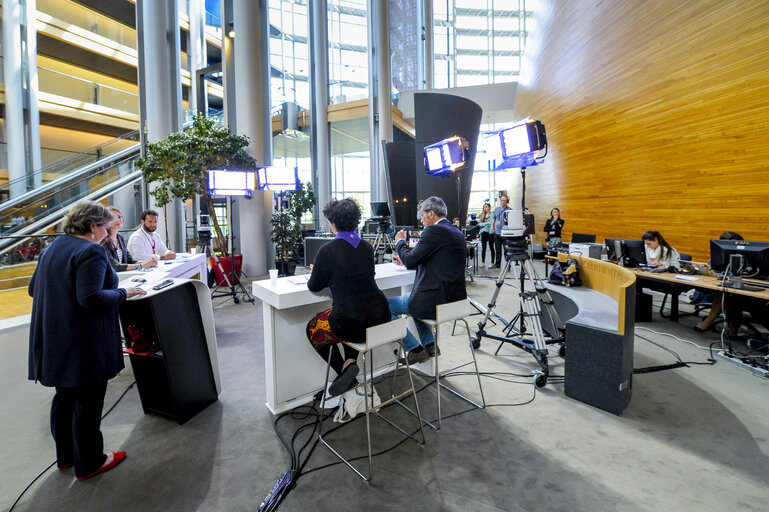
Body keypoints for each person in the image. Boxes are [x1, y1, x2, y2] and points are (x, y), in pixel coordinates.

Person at [28, 200, 146, 481]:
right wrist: (124, 293)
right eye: (106, 226)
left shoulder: (52, 248)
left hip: (56, 339)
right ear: (93, 227)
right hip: (84, 343)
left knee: (64, 398)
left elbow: (34, 289)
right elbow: (91, 298)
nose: (108, 232)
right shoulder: (91, 251)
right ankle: (91, 462)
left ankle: (66, 457)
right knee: (88, 403)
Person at [306, 198, 391, 395]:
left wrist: (317, 271)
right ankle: (350, 362)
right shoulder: (367, 248)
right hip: (379, 316)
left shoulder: (327, 251)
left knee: (313, 328)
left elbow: (314, 285)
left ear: (333, 222)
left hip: (351, 323)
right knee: (353, 314)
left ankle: (345, 372)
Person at [389, 196, 467, 364]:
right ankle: (430, 345)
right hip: (455, 302)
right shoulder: (455, 231)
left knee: (383, 306)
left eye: (422, 215)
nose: (421, 219)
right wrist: (408, 260)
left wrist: (400, 241)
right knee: (415, 299)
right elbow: (439, 262)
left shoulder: (433, 231)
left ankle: (414, 349)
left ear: (431, 214)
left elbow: (411, 260)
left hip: (434, 302)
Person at [694, 231, 743, 333]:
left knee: (725, 296)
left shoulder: (744, 256)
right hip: (721, 286)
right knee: (725, 294)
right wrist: (709, 272)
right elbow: (709, 267)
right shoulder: (719, 254)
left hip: (742, 288)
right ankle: (733, 331)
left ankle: (707, 323)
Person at [102, 206, 158, 272]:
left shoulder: (119, 238)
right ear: (106, 221)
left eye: (119, 217)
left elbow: (130, 260)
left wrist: (147, 263)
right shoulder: (103, 241)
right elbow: (114, 266)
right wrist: (142, 265)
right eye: (113, 217)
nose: (118, 220)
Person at [491, 195, 511, 268]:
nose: (503, 202)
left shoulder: (510, 210)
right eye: (502, 200)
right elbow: (494, 218)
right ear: (500, 200)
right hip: (497, 232)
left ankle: (508, 266)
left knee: (506, 250)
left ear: (507, 201)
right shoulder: (496, 209)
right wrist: (492, 225)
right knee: (498, 250)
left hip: (505, 233)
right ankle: (497, 264)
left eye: (505, 200)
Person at [477, 202, 495, 269]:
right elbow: (480, 224)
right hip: (484, 232)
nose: (485, 208)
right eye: (484, 207)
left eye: (486, 207)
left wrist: (486, 223)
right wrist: (487, 223)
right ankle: (483, 262)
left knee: (491, 247)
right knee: (483, 248)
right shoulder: (482, 215)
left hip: (490, 232)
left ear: (489, 207)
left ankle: (492, 262)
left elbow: (492, 223)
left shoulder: (492, 214)